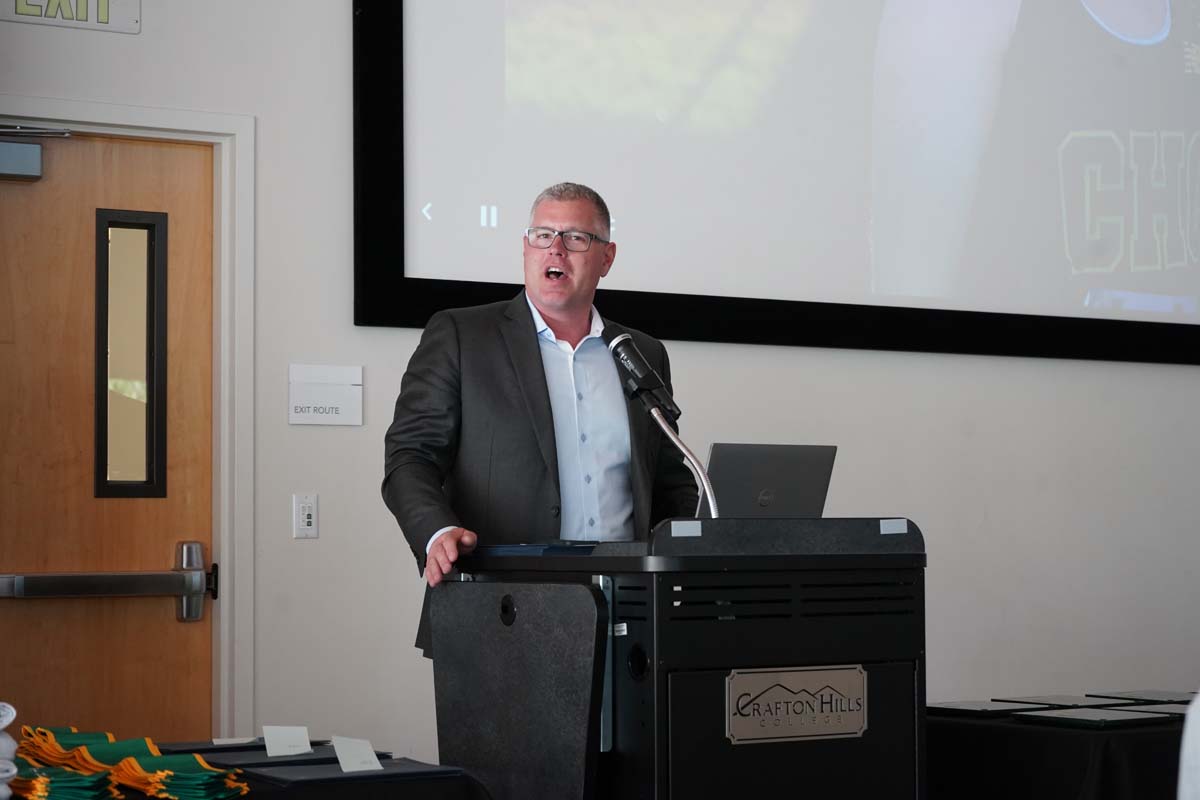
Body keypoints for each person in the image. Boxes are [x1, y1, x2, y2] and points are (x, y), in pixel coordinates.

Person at [382, 182, 698, 655]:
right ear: (525, 248)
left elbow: (673, 480)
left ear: (607, 258)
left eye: (575, 238)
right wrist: (436, 530)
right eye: (542, 234)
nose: (556, 249)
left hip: (627, 613)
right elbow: (411, 455)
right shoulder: (462, 336)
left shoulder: (640, 352)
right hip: (498, 606)